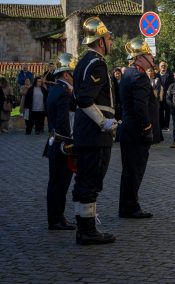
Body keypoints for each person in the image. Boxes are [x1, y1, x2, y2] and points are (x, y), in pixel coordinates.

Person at [72, 16, 117, 245]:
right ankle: (88, 231)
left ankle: (83, 227)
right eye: (109, 38)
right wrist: (103, 122)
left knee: (83, 182)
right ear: (100, 41)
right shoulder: (97, 63)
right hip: (95, 135)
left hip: (83, 132)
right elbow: (84, 99)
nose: (111, 42)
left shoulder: (82, 62)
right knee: (91, 182)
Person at [117, 38, 159, 219]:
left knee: (129, 170)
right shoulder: (139, 76)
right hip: (136, 131)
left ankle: (127, 205)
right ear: (141, 57)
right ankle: (130, 207)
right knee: (135, 170)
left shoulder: (128, 74)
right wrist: (147, 129)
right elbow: (141, 107)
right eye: (149, 54)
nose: (152, 57)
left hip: (128, 128)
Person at [45, 53, 77, 231]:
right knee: (60, 183)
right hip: (62, 144)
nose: (74, 77)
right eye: (72, 73)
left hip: (54, 142)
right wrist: (72, 144)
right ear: (66, 75)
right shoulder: (63, 93)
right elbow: (64, 124)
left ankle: (57, 217)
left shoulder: (55, 90)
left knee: (57, 183)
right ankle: (56, 219)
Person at [157, 61, 174, 131]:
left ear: (166, 67)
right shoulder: (156, 75)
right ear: (159, 67)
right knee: (160, 111)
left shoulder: (169, 75)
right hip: (159, 96)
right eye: (161, 66)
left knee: (167, 112)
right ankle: (161, 125)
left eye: (164, 66)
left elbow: (172, 84)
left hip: (167, 96)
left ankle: (166, 126)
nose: (163, 67)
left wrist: (170, 92)